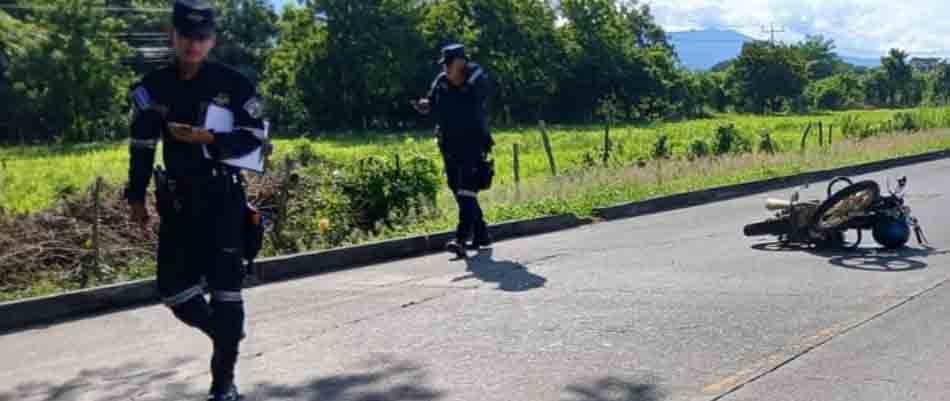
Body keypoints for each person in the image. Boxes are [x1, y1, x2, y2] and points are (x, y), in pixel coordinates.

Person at [124, 1, 266, 399]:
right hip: (178, 202)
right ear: (173, 36)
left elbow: (256, 141)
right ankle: (225, 332)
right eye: (186, 36)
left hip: (222, 200)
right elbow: (141, 144)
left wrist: (210, 140)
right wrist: (136, 197)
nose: (193, 44)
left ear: (212, 41)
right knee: (171, 289)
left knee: (226, 292)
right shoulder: (155, 87)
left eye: (202, 38)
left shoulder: (234, 84)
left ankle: (224, 384)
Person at [414, 43, 495, 258]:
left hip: (473, 142)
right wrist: (425, 104)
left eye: (450, 64)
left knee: (467, 189)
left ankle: (460, 239)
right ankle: (481, 234)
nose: (446, 68)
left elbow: (479, 93)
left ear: (460, 61)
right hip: (449, 144)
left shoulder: (476, 77)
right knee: (456, 187)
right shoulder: (441, 80)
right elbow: (430, 100)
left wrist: (462, 76)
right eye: (445, 64)